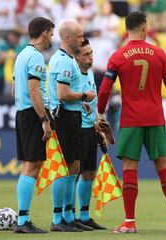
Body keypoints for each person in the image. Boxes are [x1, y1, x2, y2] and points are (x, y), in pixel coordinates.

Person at [97, 11, 166, 234]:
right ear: (145, 28)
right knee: (163, 166)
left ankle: (130, 222)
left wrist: (99, 113)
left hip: (131, 120)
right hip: (155, 118)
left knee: (129, 169)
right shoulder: (159, 53)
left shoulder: (117, 56)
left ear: (126, 29)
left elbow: (105, 89)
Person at [48, 20, 95, 232]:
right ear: (68, 38)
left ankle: (68, 215)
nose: (81, 38)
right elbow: (63, 94)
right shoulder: (65, 62)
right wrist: (83, 95)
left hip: (72, 115)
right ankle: (59, 218)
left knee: (74, 167)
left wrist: (81, 103)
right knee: (66, 168)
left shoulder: (66, 60)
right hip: (64, 118)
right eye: (78, 35)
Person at [12, 17, 54, 234]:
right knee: (32, 165)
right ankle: (23, 221)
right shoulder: (36, 57)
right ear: (45, 32)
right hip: (32, 114)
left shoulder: (21, 55)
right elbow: (34, 90)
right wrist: (44, 120)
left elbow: (14, 89)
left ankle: (22, 218)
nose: (52, 39)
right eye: (52, 34)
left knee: (28, 165)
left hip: (22, 112)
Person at [72, 39, 106, 230]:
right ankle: (68, 215)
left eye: (91, 53)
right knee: (74, 174)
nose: (90, 57)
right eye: (86, 54)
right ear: (77, 57)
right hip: (76, 128)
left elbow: (92, 105)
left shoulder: (91, 74)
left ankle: (84, 216)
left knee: (89, 173)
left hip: (90, 129)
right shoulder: (74, 75)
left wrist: (98, 123)